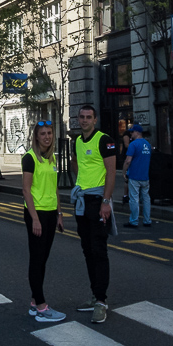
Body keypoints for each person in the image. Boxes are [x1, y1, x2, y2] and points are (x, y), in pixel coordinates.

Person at [69, 104, 116, 324]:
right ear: (78, 119)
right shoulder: (77, 141)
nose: (85, 120)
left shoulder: (104, 140)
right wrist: (81, 185)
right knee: (87, 250)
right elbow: (76, 164)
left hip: (98, 202)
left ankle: (101, 301)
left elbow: (111, 172)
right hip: (82, 202)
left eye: (89, 117)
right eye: (82, 117)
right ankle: (94, 295)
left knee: (99, 250)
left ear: (95, 120)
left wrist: (106, 201)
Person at [22, 121, 65, 322]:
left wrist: (59, 213)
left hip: (50, 212)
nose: (47, 136)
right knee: (37, 259)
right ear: (36, 137)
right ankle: (41, 307)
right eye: (42, 134)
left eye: (49, 133)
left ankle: (34, 301)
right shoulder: (29, 158)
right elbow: (26, 190)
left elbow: (55, 188)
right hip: (36, 213)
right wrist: (35, 219)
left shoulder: (52, 158)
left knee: (43, 258)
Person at [122, 124, 153, 228]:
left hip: (135, 175)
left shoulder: (133, 144)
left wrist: (124, 172)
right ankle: (147, 220)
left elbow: (128, 161)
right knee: (146, 198)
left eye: (132, 132)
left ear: (137, 132)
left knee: (134, 199)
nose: (130, 134)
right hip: (145, 176)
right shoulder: (147, 144)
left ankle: (134, 221)